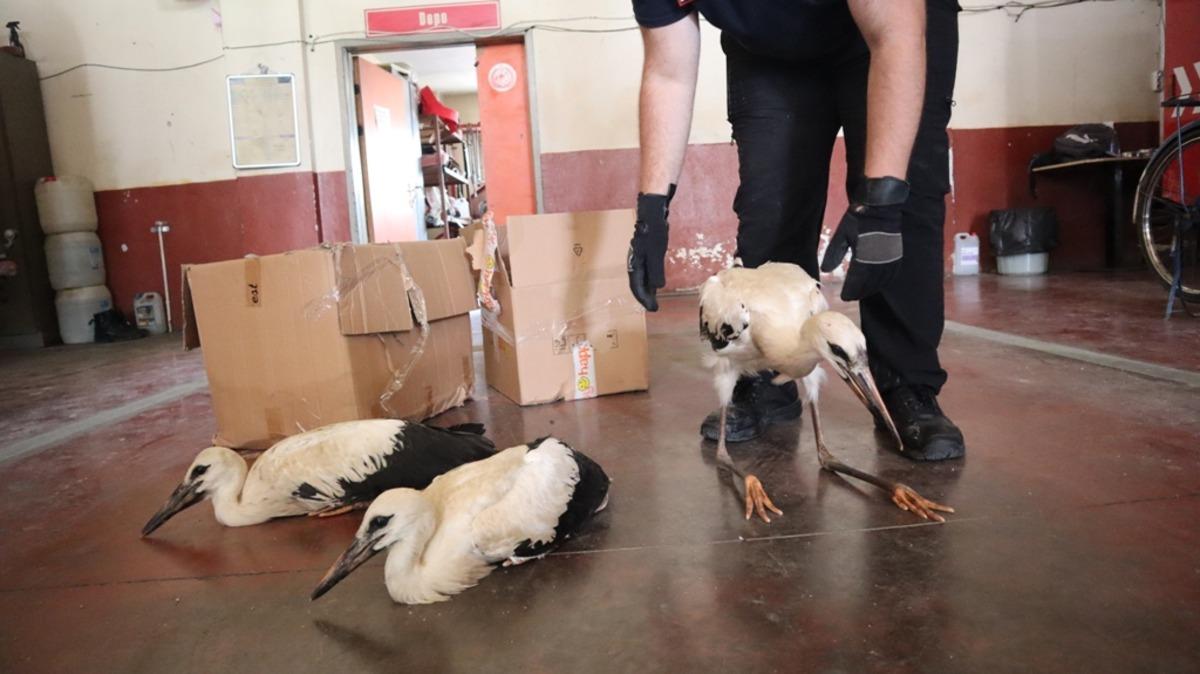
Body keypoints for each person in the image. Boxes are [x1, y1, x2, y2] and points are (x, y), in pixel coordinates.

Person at [626, 0, 965, 461]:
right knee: (770, 209)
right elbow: (668, 72)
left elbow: (897, 37)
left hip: (889, 30)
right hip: (770, 49)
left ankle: (908, 388)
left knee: (903, 204)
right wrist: (652, 210)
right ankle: (768, 379)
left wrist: (881, 203)